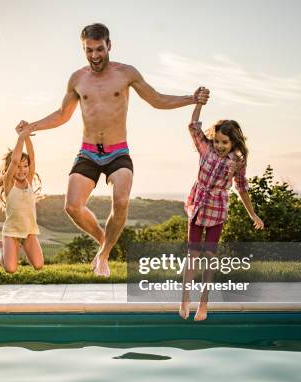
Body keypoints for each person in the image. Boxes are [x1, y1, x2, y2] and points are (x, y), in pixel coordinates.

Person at [21, 23, 209, 276]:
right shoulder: (77, 79)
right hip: (88, 151)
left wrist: (191, 98)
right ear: (83, 49)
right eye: (89, 50)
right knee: (72, 206)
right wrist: (31, 126)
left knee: (121, 200)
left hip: (117, 151)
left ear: (109, 45)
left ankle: (104, 256)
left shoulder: (126, 73)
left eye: (99, 49)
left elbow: (157, 100)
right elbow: (62, 115)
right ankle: (104, 242)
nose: (95, 55)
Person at [180, 89, 264, 321]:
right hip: (198, 204)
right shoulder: (205, 147)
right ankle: (185, 297)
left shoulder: (238, 161)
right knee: (193, 254)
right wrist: (198, 103)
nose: (219, 145)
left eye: (224, 142)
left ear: (234, 142)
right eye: (217, 140)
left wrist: (253, 215)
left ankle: (203, 303)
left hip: (217, 207)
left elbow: (242, 188)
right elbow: (193, 124)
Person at [0, 121, 44, 273]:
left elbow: (32, 155)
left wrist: (27, 136)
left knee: (39, 265)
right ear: (10, 169)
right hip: (11, 231)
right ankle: (1, 247)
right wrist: (21, 137)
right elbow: (14, 160)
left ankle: (13, 248)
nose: (22, 170)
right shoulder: (9, 184)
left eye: (25, 166)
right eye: (18, 167)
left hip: (29, 231)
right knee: (11, 269)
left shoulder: (29, 180)